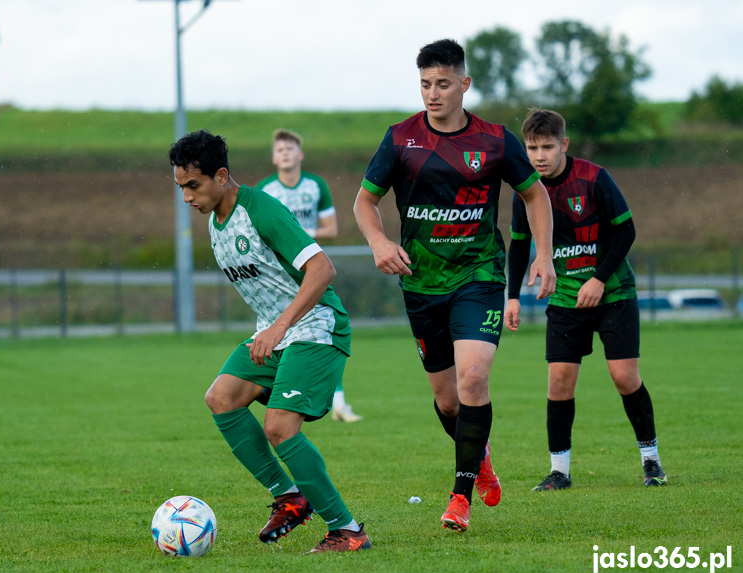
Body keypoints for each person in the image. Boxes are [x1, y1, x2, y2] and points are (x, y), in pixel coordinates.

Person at [353, 39, 556, 532]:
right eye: (425, 84)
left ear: (464, 84)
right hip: (421, 283)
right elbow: (364, 202)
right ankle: (480, 460)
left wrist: (544, 256)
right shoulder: (401, 138)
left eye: (443, 83)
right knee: (447, 400)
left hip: (479, 275)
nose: (433, 94)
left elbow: (536, 196)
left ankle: (459, 497)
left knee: (473, 380)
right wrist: (380, 242)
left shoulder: (496, 140)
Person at [169, 129, 370, 553]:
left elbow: (322, 269)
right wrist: (273, 328)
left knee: (279, 427)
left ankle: (347, 530)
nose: (186, 196)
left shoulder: (262, 210)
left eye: (193, 185)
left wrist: (279, 327)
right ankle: (290, 497)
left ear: (221, 176)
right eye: (181, 187)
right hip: (275, 332)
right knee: (221, 397)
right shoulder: (214, 223)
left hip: (317, 326)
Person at [505, 108, 667, 491]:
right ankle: (559, 471)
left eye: (547, 147)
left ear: (564, 145)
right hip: (564, 299)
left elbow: (625, 232)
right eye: (532, 148)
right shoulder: (525, 191)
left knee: (624, 377)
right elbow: (519, 246)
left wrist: (598, 279)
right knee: (559, 383)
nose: (539, 156)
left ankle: (652, 462)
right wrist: (511, 297)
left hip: (613, 293)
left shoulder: (594, 178)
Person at [256, 129, 362, 423]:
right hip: (279, 275)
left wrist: (301, 237)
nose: (285, 153)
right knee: (282, 333)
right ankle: (272, 390)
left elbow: (332, 229)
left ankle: (337, 402)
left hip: (310, 269)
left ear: (300, 155)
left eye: (290, 148)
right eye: (279, 150)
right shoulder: (265, 190)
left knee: (325, 333)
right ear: (273, 158)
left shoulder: (316, 186)